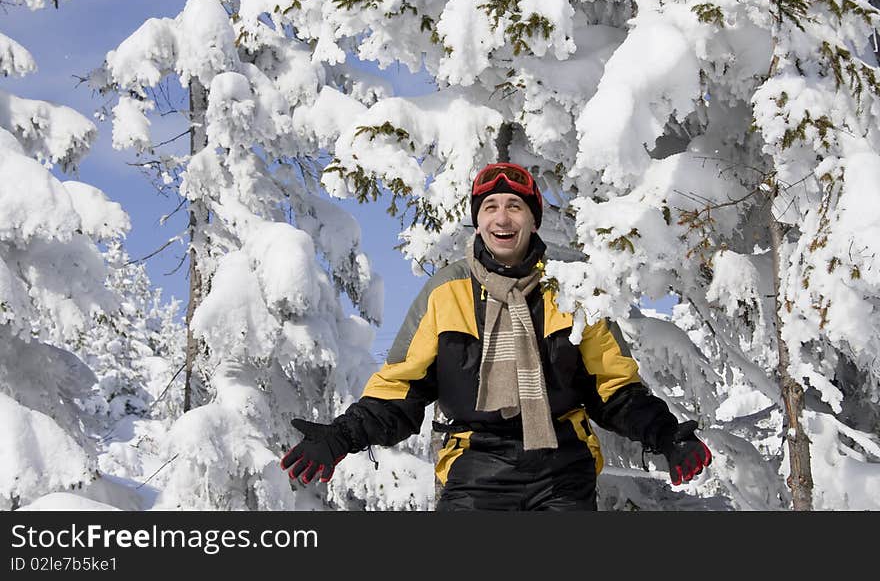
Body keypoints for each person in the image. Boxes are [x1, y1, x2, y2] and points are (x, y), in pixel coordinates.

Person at [281, 162, 712, 510]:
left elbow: (614, 388)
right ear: (478, 220)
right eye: (490, 207)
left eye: (514, 206)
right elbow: (401, 388)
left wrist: (666, 434)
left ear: (533, 219)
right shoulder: (447, 291)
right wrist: (341, 436)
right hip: (474, 469)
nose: (502, 218)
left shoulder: (571, 288)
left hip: (562, 468)